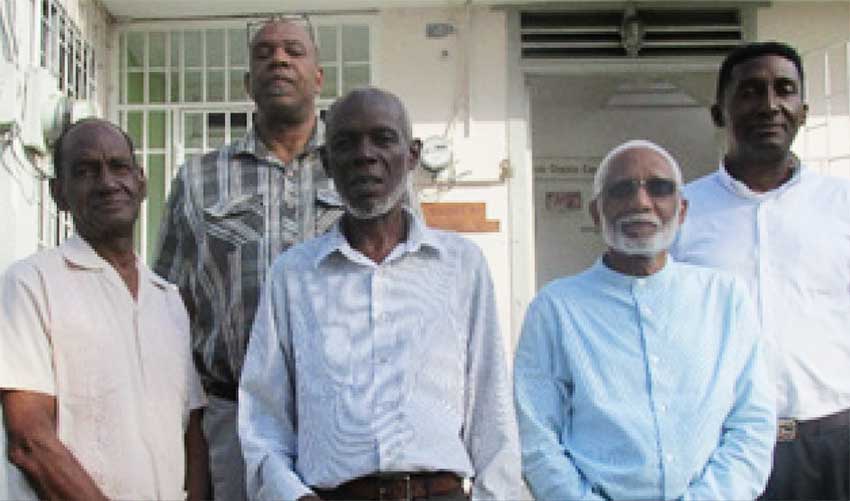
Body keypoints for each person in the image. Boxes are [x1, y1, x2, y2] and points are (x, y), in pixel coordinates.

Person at [238, 87, 522, 501]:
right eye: (345, 143)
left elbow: (491, 408)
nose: (365, 154)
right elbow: (263, 414)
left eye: (383, 139)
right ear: (327, 163)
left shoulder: (461, 265)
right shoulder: (293, 275)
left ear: (411, 154)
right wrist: (289, 496)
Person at [515, 140, 776, 500]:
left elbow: (752, 424)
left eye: (659, 188)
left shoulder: (724, 299)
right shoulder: (556, 308)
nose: (640, 203)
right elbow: (536, 435)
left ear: (682, 210)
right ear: (596, 213)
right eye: (622, 190)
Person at [154, 16, 342, 500]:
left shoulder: (361, 167)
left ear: (318, 77)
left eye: (294, 51)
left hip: (344, 415)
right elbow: (169, 311)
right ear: (247, 83)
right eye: (264, 53)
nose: (278, 59)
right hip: (232, 418)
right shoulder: (199, 180)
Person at [671, 41, 850, 500]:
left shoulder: (842, 207)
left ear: (803, 110)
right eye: (750, 91)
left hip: (834, 446)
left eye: (784, 90)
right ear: (719, 112)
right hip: (721, 449)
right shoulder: (681, 212)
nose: (769, 105)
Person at [0, 119, 207, 500]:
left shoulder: (168, 301)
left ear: (141, 183)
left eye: (119, 166)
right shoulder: (32, 284)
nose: (108, 182)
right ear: (58, 192)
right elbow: (29, 441)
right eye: (85, 171)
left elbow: (192, 433)